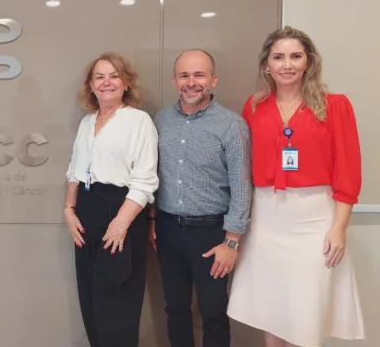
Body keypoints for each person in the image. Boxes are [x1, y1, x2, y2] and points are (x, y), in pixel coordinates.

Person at [227, 26, 365, 347]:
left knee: (306, 313)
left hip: (314, 221)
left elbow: (348, 169)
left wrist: (339, 227)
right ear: (267, 64)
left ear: (308, 62)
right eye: (278, 57)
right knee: (272, 308)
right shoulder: (254, 106)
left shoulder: (334, 105)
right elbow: (244, 169)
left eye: (295, 56)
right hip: (266, 221)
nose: (287, 65)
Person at [149, 49, 252, 347]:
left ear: (213, 80)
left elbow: (242, 186)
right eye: (184, 75)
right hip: (168, 229)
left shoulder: (231, 125)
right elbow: (152, 173)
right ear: (174, 81)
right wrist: (153, 219)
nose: (191, 82)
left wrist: (231, 242)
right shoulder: (161, 120)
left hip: (212, 233)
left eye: (199, 75)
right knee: (175, 309)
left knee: (214, 313)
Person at [63, 52, 159, 347]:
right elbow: (75, 169)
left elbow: (144, 181)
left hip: (121, 213)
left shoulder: (138, 121)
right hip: (86, 213)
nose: (106, 82)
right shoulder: (87, 122)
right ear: (91, 85)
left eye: (114, 76)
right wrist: (68, 209)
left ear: (126, 83)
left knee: (117, 308)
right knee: (91, 303)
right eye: (99, 77)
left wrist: (120, 224)